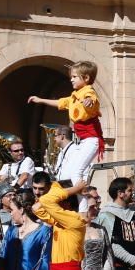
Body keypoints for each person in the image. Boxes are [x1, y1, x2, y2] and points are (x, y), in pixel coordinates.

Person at [29, 61, 105, 209]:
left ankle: (84, 207)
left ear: (86, 78)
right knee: (74, 172)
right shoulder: (74, 96)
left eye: (75, 77)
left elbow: (93, 99)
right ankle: (80, 203)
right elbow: (60, 102)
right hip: (84, 140)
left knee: (77, 171)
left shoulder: (88, 91)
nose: (71, 79)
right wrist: (40, 100)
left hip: (92, 139)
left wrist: (89, 101)